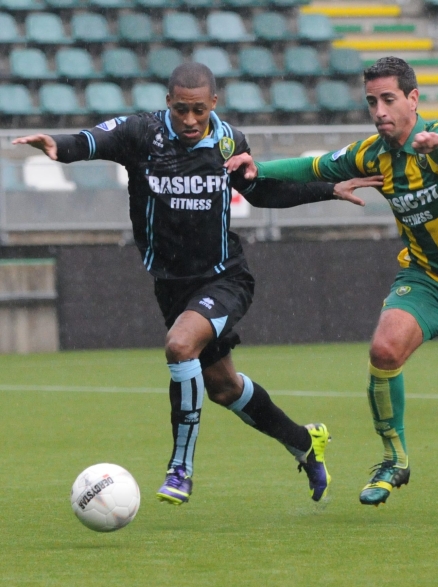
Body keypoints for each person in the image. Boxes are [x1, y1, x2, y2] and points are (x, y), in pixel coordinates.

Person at [13, 63, 378, 505]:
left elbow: (260, 191)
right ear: (168, 102)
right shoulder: (142, 133)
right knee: (224, 387)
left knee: (180, 346)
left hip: (225, 277)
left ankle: (180, 468)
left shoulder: (228, 141)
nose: (190, 120)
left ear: (214, 105)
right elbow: (95, 140)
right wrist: (60, 147)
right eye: (182, 109)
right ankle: (304, 441)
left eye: (199, 111)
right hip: (171, 284)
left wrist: (326, 189)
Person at [227, 56, 438, 514]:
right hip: (427, 278)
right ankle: (393, 458)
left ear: (413, 99)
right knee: (384, 350)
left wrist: (434, 144)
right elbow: (317, 166)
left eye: (389, 99)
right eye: (372, 101)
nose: (379, 110)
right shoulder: (371, 154)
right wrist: (261, 167)